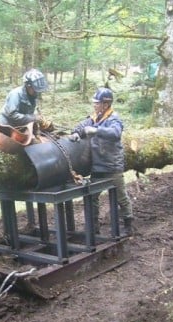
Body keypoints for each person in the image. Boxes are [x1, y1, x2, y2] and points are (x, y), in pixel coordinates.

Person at [69, 87, 134, 237]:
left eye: (97, 103)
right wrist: (75, 133)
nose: (94, 105)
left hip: (112, 166)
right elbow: (81, 126)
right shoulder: (94, 117)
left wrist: (96, 131)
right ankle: (94, 227)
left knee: (121, 197)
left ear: (106, 104)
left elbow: (115, 133)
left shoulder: (114, 119)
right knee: (92, 197)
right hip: (97, 167)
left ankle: (129, 224)